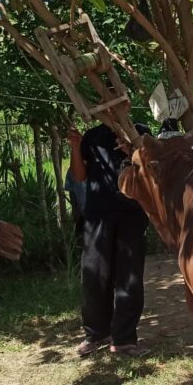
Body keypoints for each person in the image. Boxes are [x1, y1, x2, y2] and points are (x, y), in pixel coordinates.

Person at [68, 123, 150, 357]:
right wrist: (76, 147)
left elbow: (152, 171)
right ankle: (96, 333)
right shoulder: (94, 136)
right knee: (94, 274)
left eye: (118, 99)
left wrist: (132, 151)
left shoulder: (141, 133)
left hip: (132, 214)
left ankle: (124, 339)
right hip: (97, 215)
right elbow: (79, 176)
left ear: (126, 101)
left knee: (130, 277)